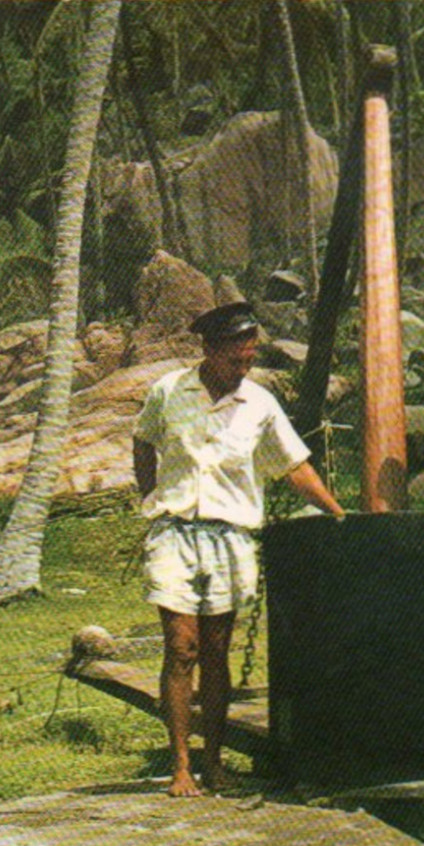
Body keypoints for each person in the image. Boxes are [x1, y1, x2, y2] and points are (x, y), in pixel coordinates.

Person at [133, 301, 345, 797]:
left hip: (231, 537)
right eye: (234, 360)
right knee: (180, 648)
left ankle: (214, 762)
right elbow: (143, 441)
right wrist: (148, 496)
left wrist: (336, 513)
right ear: (209, 350)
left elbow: (293, 466)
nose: (242, 369)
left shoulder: (260, 405)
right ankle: (181, 765)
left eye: (249, 361)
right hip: (176, 531)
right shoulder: (169, 392)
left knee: (216, 650)